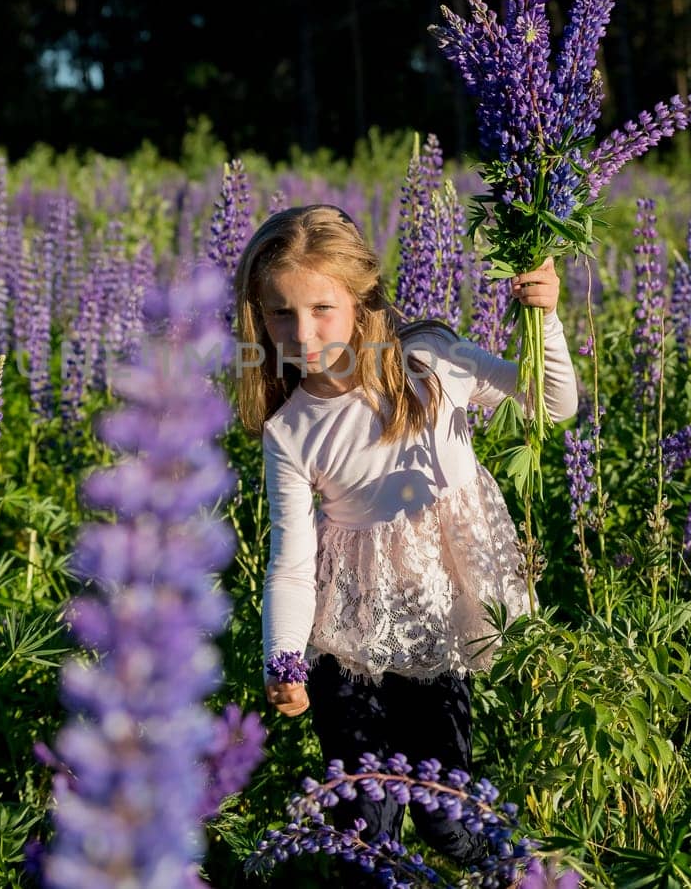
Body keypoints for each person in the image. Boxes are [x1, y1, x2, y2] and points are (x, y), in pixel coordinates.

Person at [230, 204, 577, 878]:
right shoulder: (291, 430)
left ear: (362, 300)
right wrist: (285, 658)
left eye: (321, 308)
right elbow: (293, 564)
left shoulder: (431, 363)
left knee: (449, 816)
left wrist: (545, 317)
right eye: (280, 313)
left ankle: (529, 876)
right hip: (342, 638)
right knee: (367, 828)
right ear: (258, 317)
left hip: (434, 628)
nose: (302, 332)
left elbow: (550, 402)